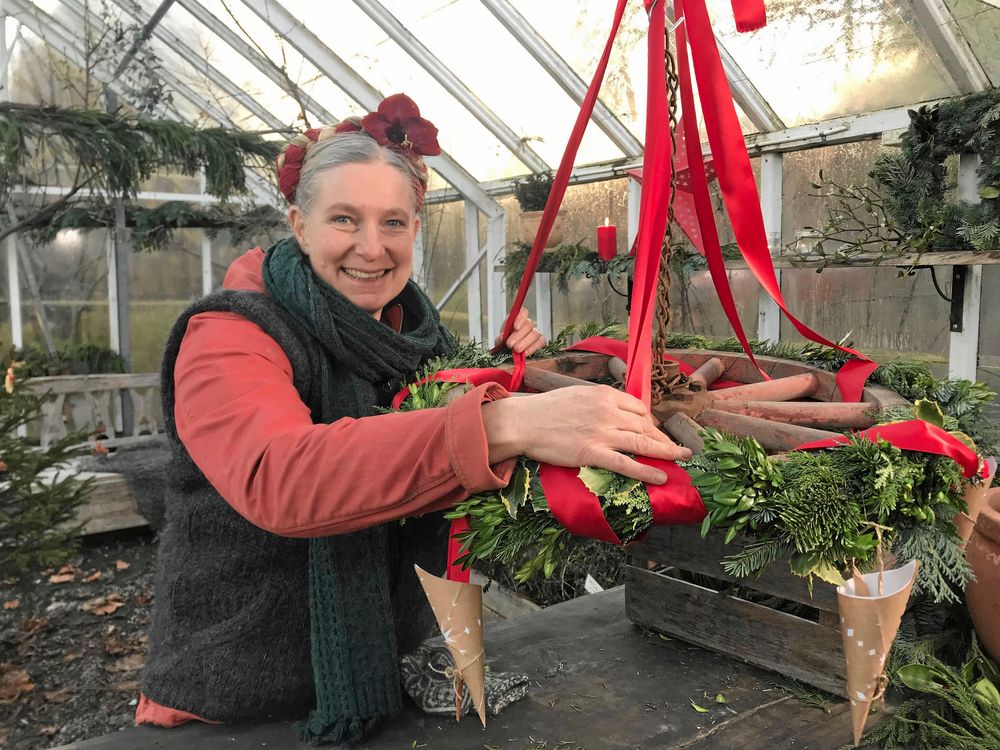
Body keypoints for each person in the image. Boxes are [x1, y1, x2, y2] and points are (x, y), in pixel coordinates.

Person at [137, 93, 690, 744]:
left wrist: (497, 367)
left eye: (393, 223)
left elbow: (413, 416)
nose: (372, 249)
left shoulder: (406, 335)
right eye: (345, 219)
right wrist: (501, 425)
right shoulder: (229, 332)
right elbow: (281, 475)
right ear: (299, 223)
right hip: (228, 713)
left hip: (381, 682)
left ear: (416, 230)